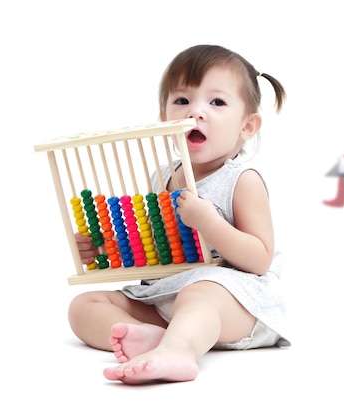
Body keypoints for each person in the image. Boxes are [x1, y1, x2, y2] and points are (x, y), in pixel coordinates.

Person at [68, 44, 290, 384]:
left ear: (248, 125)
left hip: (234, 303)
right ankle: (151, 337)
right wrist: (104, 249)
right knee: (84, 306)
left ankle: (180, 351)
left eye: (216, 102)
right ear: (164, 117)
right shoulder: (164, 177)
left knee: (201, 292)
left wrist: (210, 223)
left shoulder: (241, 181)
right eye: (182, 101)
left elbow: (259, 260)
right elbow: (158, 245)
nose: (196, 112)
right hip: (167, 294)